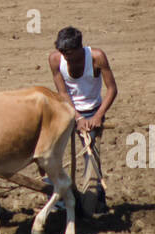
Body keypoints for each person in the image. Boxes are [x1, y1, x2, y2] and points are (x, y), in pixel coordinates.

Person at [49, 26, 119, 211]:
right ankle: (58, 197)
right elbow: (62, 93)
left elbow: (112, 89)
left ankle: (96, 201)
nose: (66, 57)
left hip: (93, 110)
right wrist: (77, 117)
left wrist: (98, 116)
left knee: (91, 156)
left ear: (80, 48)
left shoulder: (97, 57)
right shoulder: (55, 59)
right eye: (62, 52)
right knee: (50, 153)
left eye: (69, 53)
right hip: (67, 110)